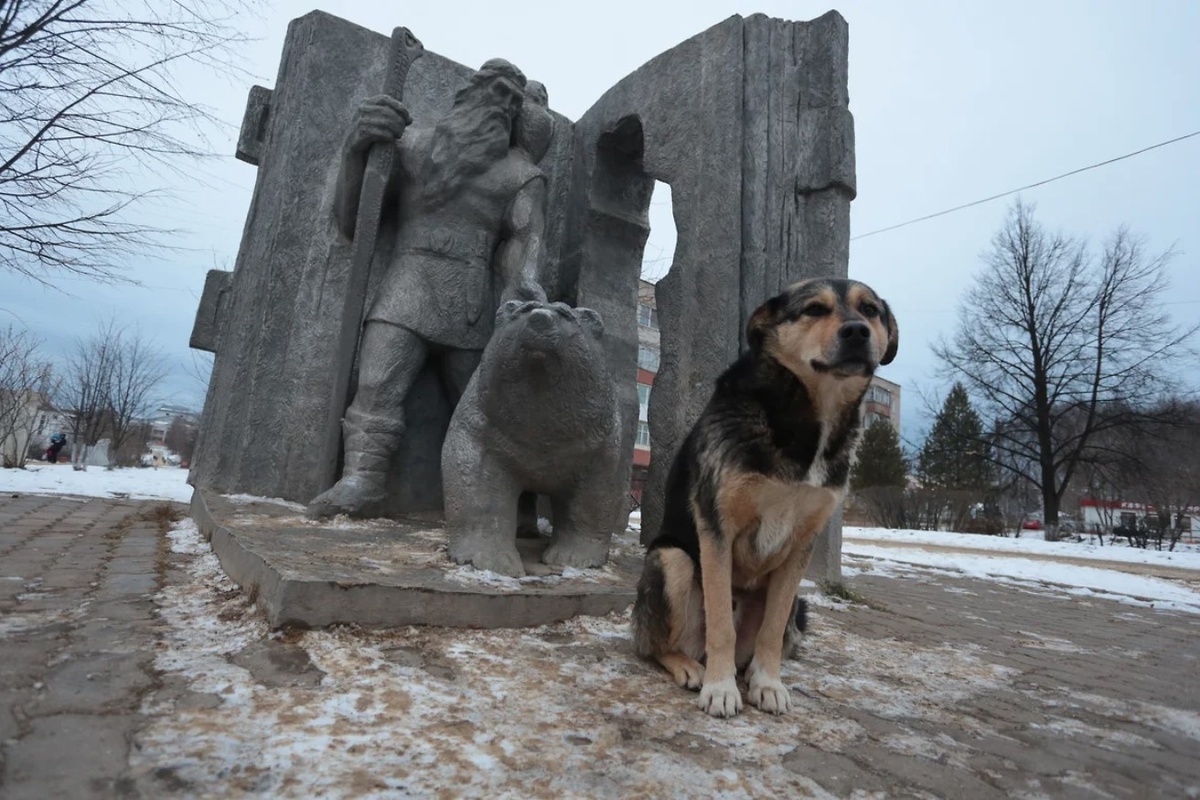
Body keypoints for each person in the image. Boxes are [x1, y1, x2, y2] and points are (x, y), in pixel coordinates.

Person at [307, 60, 552, 519]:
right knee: (376, 386)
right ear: (470, 93)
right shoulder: (414, 145)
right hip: (409, 283)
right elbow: (354, 221)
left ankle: (508, 502)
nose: (502, 105)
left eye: (513, 101)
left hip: (471, 299)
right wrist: (356, 149)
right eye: (495, 91)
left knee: (488, 410)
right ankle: (362, 481)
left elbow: (524, 242)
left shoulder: (522, 175)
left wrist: (524, 288)